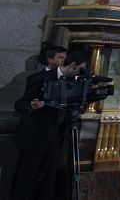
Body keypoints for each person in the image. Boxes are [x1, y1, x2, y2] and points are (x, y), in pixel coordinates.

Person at [12, 50, 88, 200]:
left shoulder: (76, 82)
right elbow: (19, 104)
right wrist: (32, 106)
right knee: (27, 179)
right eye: (80, 68)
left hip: (55, 138)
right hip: (34, 137)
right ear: (72, 65)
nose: (81, 72)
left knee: (48, 181)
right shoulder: (40, 78)